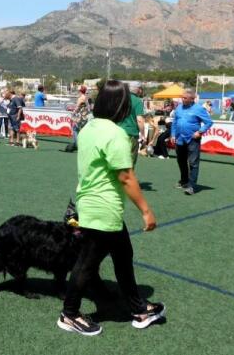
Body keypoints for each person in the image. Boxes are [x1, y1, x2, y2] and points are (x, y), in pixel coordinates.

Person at [58, 80, 164, 337]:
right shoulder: (115, 134)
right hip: (103, 209)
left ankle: (138, 308)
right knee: (86, 265)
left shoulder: (88, 128)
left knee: (123, 255)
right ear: (121, 105)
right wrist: (146, 210)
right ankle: (69, 314)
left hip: (92, 204)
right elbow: (126, 177)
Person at [170, 90, 213, 195]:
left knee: (193, 163)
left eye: (184, 98)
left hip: (192, 139)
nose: (182, 99)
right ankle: (184, 181)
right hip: (180, 139)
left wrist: (200, 132)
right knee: (181, 161)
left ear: (191, 99)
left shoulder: (199, 109)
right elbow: (175, 122)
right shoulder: (179, 108)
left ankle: (191, 186)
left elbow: (209, 122)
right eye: (182, 97)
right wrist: (173, 134)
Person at [117, 81, 145, 167]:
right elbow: (139, 119)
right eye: (141, 89)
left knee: (118, 159)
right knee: (130, 160)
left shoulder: (120, 99)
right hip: (131, 133)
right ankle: (127, 179)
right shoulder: (137, 101)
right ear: (138, 90)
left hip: (118, 132)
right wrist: (143, 135)